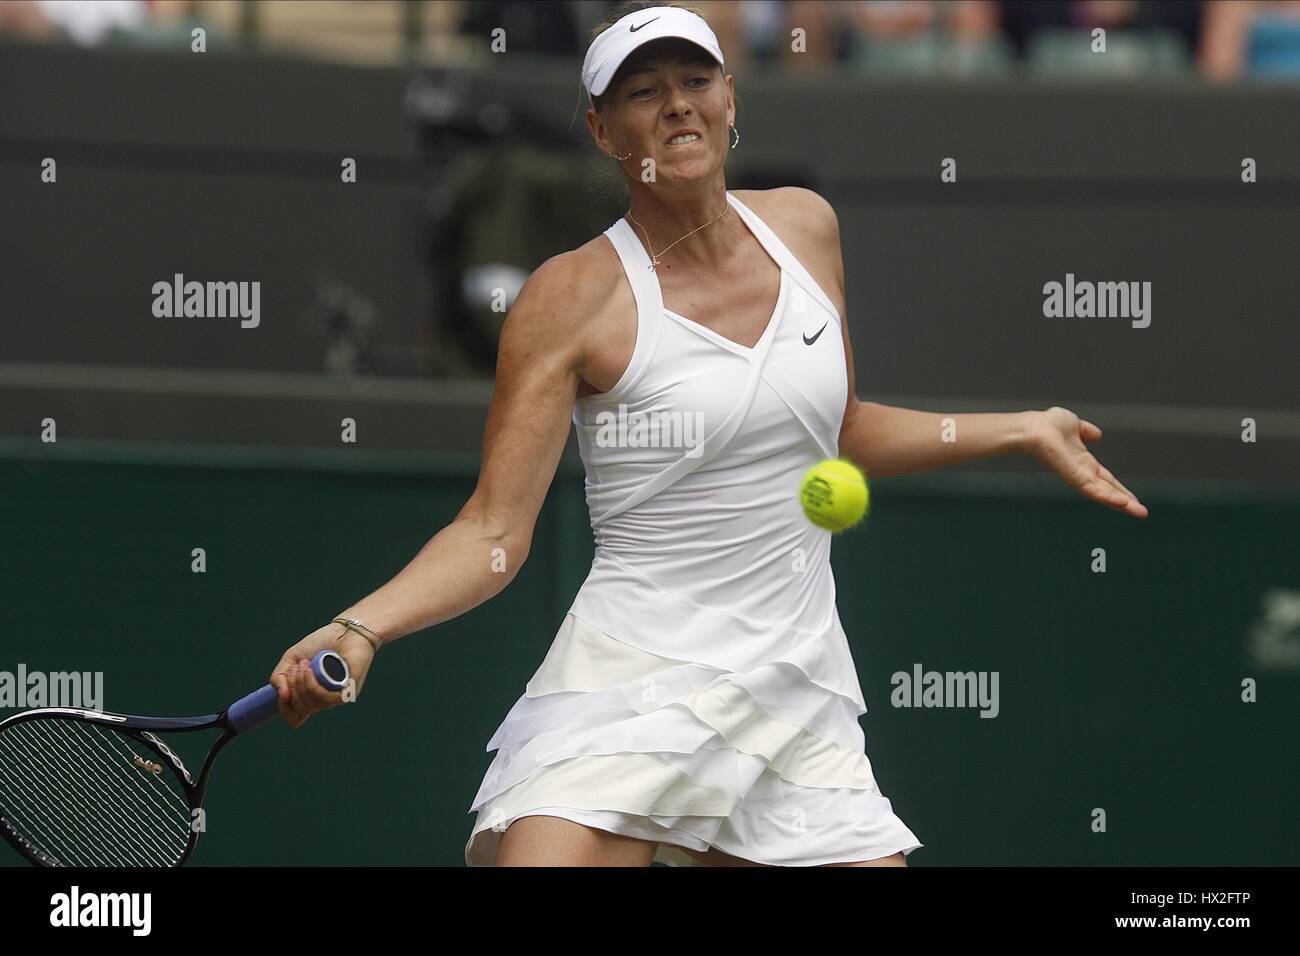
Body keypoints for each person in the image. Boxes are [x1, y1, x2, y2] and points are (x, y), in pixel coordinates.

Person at [269, 0, 1148, 867]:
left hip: (795, 688)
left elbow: (834, 432)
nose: (678, 104)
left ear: (731, 97)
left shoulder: (807, 227)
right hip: (629, 681)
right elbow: (494, 532)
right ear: (604, 130)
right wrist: (362, 627)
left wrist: (1020, 430)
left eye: (695, 80)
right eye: (644, 91)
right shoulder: (569, 298)